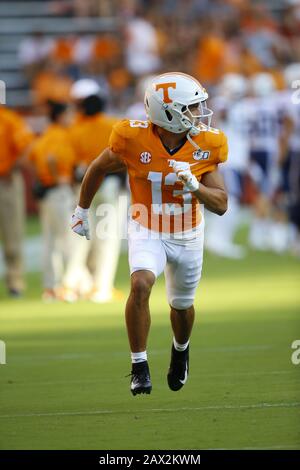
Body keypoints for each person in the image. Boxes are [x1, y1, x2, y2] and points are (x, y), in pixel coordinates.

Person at [71, 72, 228, 395]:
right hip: (146, 226)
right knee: (140, 283)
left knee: (181, 305)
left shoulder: (207, 143)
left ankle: (181, 351)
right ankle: (139, 365)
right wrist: (82, 209)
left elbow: (222, 204)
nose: (199, 114)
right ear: (168, 113)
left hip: (187, 233)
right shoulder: (131, 138)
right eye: (192, 108)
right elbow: (99, 166)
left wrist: (195, 186)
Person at [63, 79, 126, 302]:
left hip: (84, 185)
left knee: (79, 237)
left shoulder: (75, 130)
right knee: (108, 238)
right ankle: (101, 287)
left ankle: (72, 283)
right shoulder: (114, 125)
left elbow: (71, 163)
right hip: (111, 184)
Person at [28, 100, 75, 301]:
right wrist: (58, 179)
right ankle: (67, 285)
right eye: (68, 114)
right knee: (67, 239)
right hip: (58, 191)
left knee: (50, 241)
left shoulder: (45, 135)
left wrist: (45, 178)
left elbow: (33, 158)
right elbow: (51, 159)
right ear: (61, 116)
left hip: (46, 192)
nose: (71, 118)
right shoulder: (60, 135)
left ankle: (50, 287)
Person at [0, 105, 33, 297]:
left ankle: (15, 282)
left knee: (13, 233)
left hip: (6, 181)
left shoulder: (9, 119)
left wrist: (12, 167)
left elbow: (26, 145)